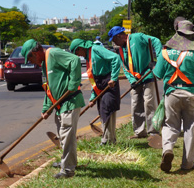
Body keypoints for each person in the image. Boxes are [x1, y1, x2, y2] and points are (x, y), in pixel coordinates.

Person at [153, 20, 194, 172]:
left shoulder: (165, 51)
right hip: (191, 93)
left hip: (171, 94)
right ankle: (187, 163)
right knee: (191, 128)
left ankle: (167, 149)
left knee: (170, 125)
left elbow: (157, 75)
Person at [21, 39, 85, 179]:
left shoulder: (53, 53)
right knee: (63, 136)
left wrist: (74, 83)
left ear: (36, 52)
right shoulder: (44, 64)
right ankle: (66, 161)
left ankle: (68, 169)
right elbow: (48, 88)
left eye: (30, 58)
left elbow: (74, 60)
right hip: (59, 105)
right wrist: (46, 107)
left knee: (67, 136)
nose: (30, 62)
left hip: (70, 101)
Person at [108, 26, 162, 140]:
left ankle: (153, 131)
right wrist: (132, 80)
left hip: (147, 74)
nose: (113, 43)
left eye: (114, 40)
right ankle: (139, 131)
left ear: (119, 36)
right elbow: (125, 66)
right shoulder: (120, 49)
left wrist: (159, 61)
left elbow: (156, 41)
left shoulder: (137, 37)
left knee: (149, 102)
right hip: (135, 79)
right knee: (136, 103)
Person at [70, 39, 121, 145]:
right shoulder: (88, 57)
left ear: (80, 48)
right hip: (100, 85)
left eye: (77, 52)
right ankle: (109, 139)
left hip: (109, 82)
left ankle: (108, 140)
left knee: (108, 109)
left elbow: (115, 58)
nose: (78, 55)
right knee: (102, 111)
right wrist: (93, 97)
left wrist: (114, 78)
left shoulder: (96, 49)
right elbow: (94, 80)